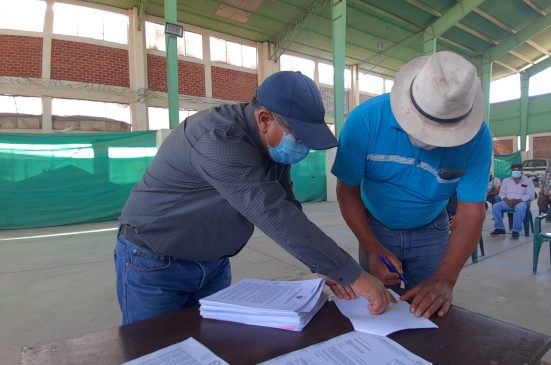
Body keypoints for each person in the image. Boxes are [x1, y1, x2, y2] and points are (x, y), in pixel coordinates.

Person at [115, 71, 394, 325]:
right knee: (156, 350)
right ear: (264, 119)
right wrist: (355, 274)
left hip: (213, 264)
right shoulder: (218, 139)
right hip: (154, 262)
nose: (302, 149)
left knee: (211, 343)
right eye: (299, 138)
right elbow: (274, 215)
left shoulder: (273, 148)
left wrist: (327, 268)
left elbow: (288, 206)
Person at [331, 51, 492, 319]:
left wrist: (445, 278)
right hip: (376, 228)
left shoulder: (477, 139)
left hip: (432, 232)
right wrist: (371, 247)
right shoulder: (366, 121)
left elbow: (471, 212)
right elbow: (347, 191)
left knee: (428, 311)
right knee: (377, 310)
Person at [490, 163, 534, 239]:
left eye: (518, 170)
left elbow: (531, 195)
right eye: (514, 170)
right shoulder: (506, 180)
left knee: (521, 207)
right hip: (508, 202)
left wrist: (518, 200)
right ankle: (500, 228)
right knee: (496, 206)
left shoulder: (528, 181)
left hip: (521, 202)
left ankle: (516, 231)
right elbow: (501, 193)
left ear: (522, 171)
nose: (516, 171)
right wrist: (507, 200)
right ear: (511, 171)